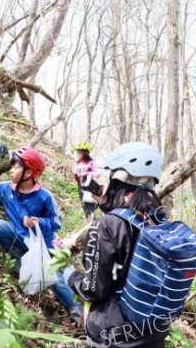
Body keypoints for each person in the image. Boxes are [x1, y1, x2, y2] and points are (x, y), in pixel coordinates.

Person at [0, 145, 83, 323]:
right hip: (18, 237)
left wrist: (39, 222)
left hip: (43, 245)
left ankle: (76, 309)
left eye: (16, 167)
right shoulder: (6, 190)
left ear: (29, 173)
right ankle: (20, 262)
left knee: (54, 278)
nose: (11, 170)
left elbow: (56, 221)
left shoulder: (44, 196)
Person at [64, 142, 170, 347]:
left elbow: (94, 290)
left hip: (115, 335)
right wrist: (107, 207)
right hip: (154, 332)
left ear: (119, 178)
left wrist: (71, 276)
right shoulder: (160, 221)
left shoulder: (106, 226)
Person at [72, 142, 99, 219]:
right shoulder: (78, 163)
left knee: (90, 205)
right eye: (77, 152)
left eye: (79, 152)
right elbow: (78, 175)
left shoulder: (91, 162)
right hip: (80, 186)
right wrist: (76, 176)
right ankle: (88, 221)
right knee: (84, 205)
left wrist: (87, 173)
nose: (78, 154)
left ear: (85, 153)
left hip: (89, 187)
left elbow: (97, 173)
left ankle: (93, 222)